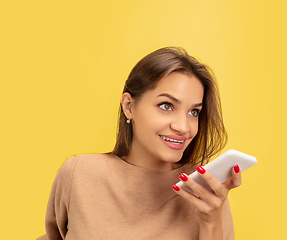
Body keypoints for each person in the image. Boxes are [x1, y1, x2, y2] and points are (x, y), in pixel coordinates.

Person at [37, 47, 242, 240]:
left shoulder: (205, 192)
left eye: (193, 112)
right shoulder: (79, 174)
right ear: (129, 107)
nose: (183, 127)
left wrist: (211, 220)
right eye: (166, 105)